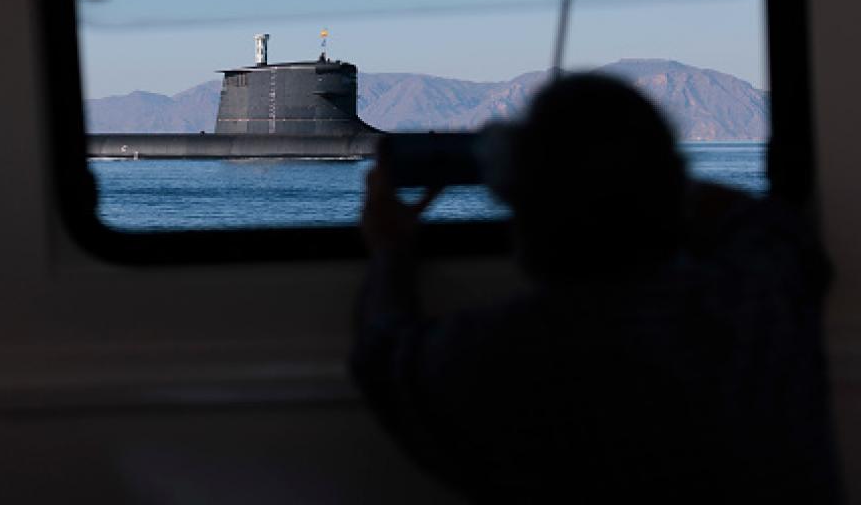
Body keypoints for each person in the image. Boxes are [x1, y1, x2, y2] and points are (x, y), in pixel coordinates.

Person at [352, 73, 839, 503]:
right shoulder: (755, 310)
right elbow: (770, 230)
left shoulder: (492, 357)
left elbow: (382, 353)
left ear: (523, 211)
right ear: (670, 181)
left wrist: (390, 251)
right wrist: (640, 179)